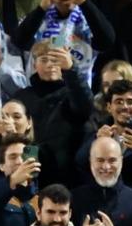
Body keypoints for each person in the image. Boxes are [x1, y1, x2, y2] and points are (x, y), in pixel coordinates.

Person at [13, 41, 93, 186]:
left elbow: (85, 108)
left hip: (68, 176)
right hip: (30, 175)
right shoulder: (21, 97)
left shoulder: (73, 93)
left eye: (55, 60)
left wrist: (71, 71)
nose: (50, 64)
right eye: (44, 60)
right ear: (34, 65)